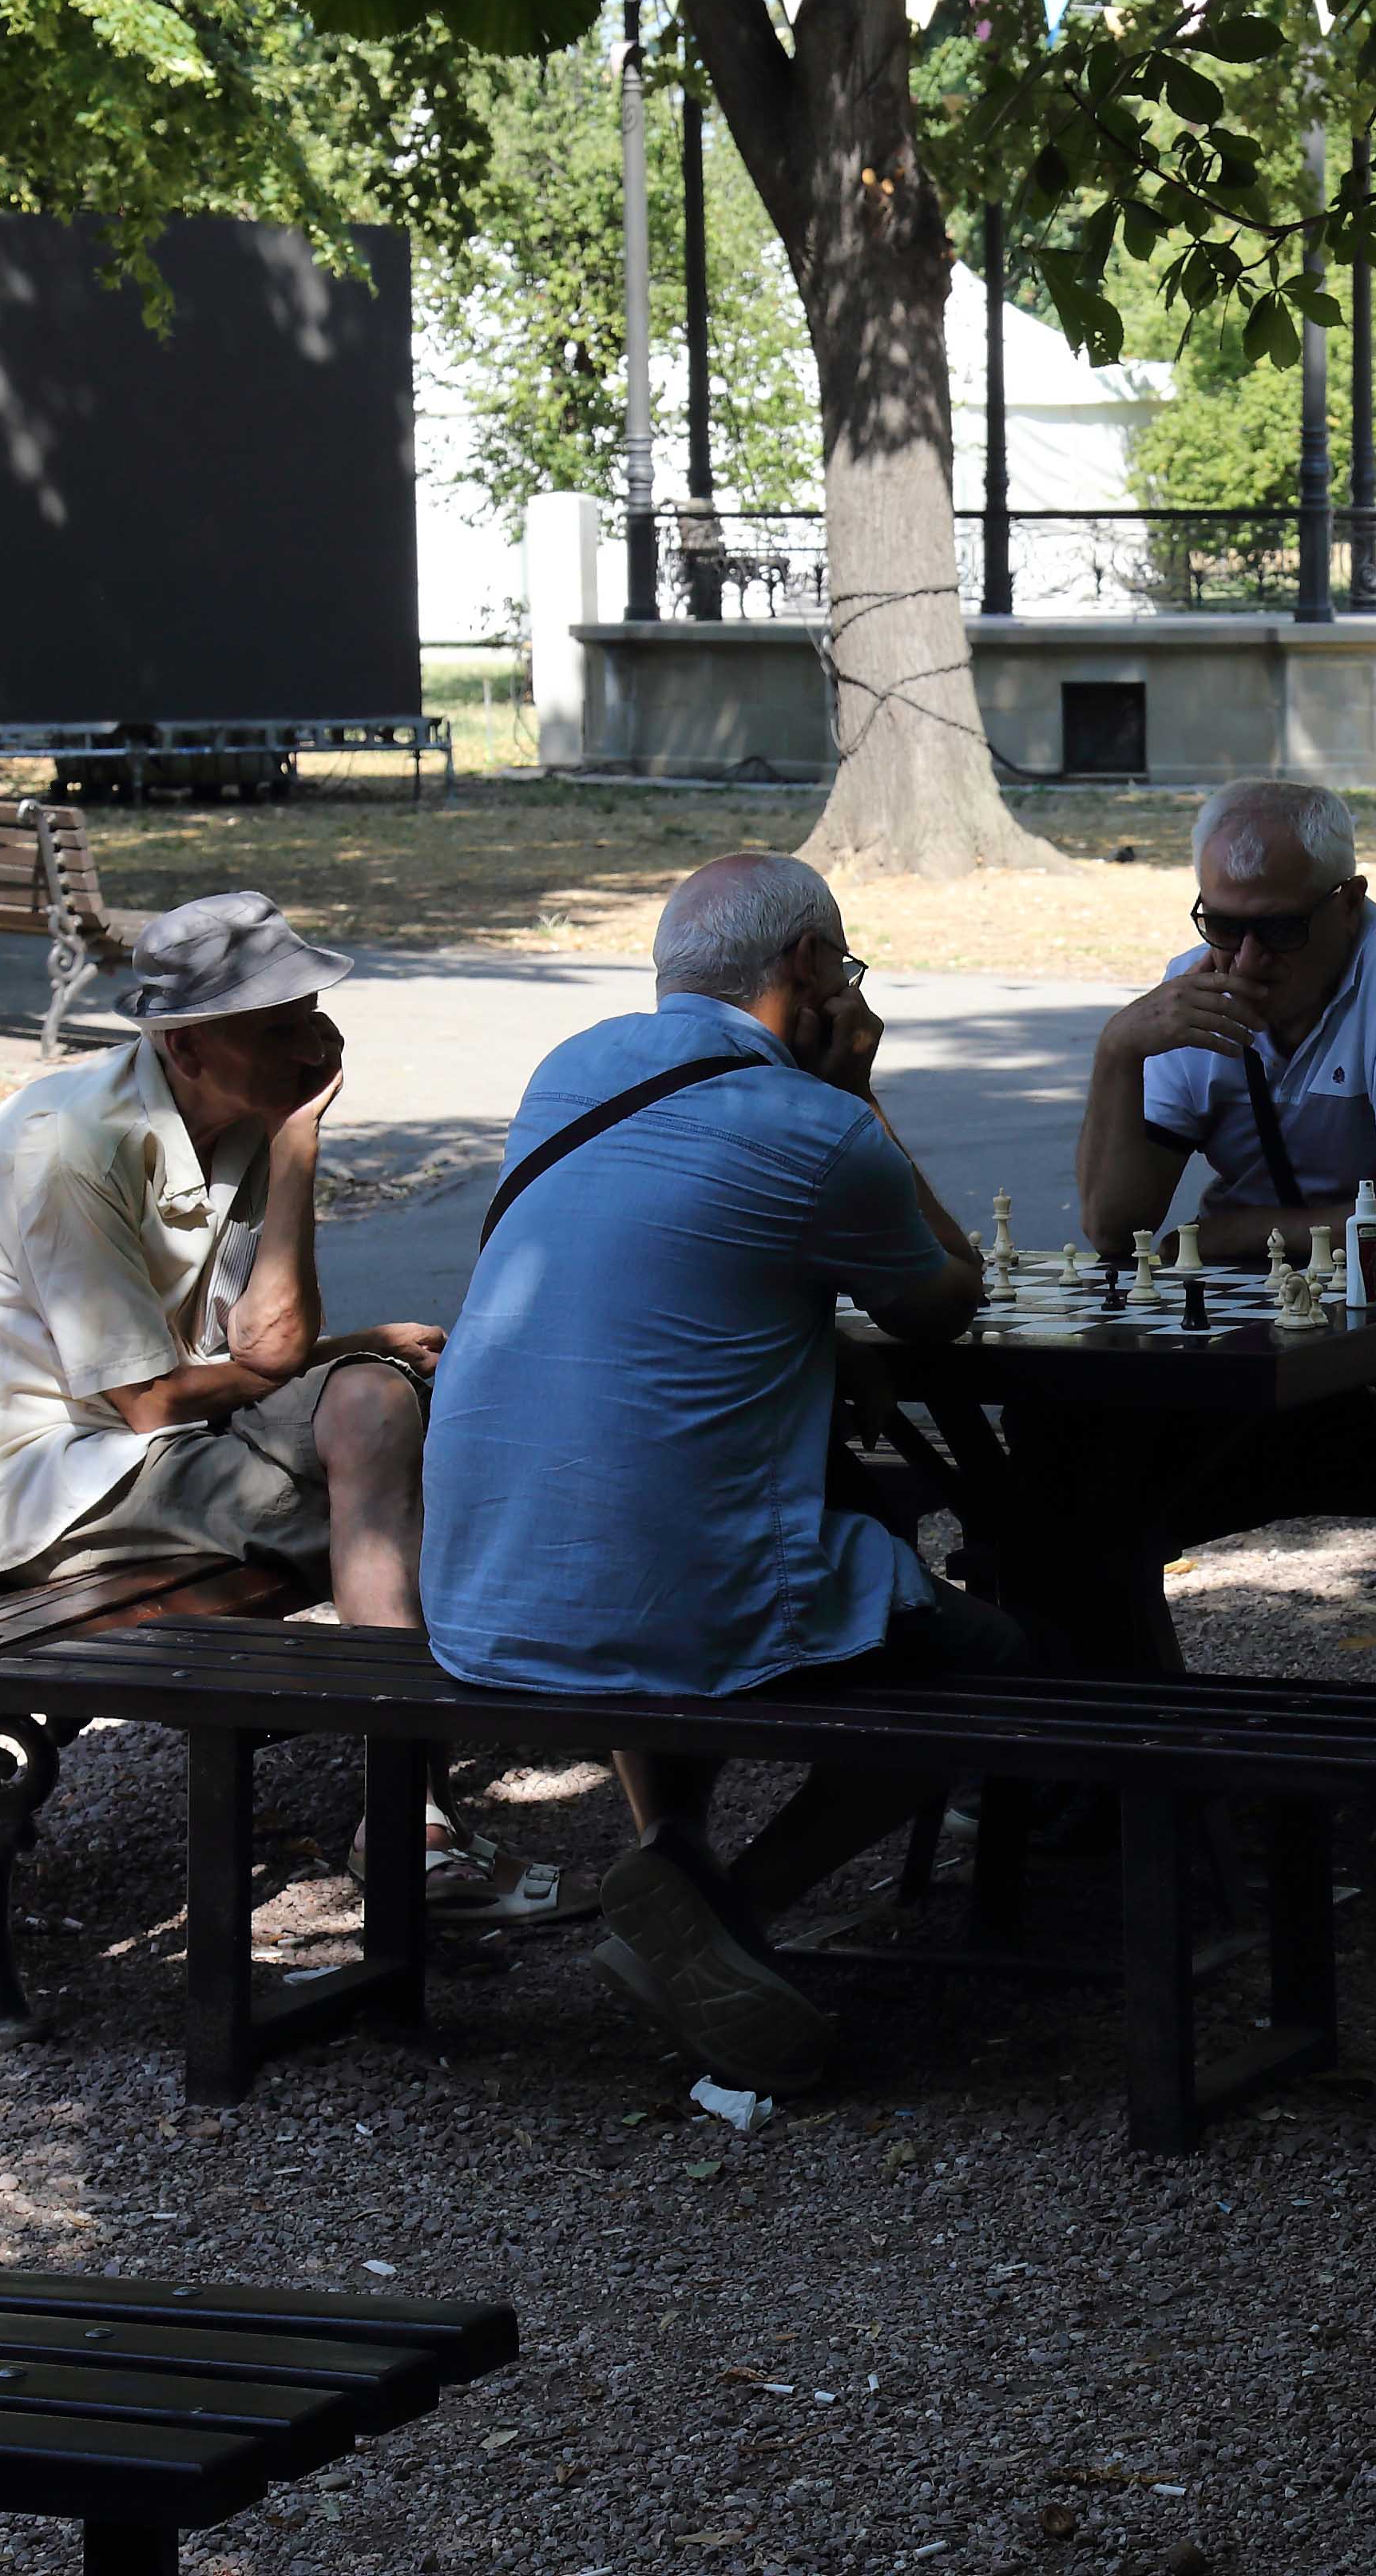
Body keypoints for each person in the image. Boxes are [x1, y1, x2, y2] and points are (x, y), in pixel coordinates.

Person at [422, 852, 1009, 2093]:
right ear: (806, 970)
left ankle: (673, 1858)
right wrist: (863, 1092)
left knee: (701, 1526)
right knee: (999, 1666)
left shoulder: (568, 1071)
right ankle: (724, 1910)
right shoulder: (815, 1126)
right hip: (653, 1596)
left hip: (481, 1596)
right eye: (843, 967)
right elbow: (944, 1308)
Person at [0, 892, 562, 1924]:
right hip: (56, 1481)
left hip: (154, 1440)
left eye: (309, 1015)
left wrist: (296, 1157)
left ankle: (409, 1815)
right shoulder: (70, 1149)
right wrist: (301, 1145)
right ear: (184, 1045)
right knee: (406, 1459)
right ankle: (409, 1831)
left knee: (390, 1408)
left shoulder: (236, 1121)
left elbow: (263, 1344)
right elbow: (151, 1396)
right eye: (279, 1030)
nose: (314, 1047)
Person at [1075, 777, 1376, 1274]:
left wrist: (1241, 1232)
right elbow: (1113, 1228)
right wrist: (1117, 1053)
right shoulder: (1191, 993)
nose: (1248, 960)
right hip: (1243, 1295)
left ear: (1349, 903)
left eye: (1280, 930)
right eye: (1224, 927)